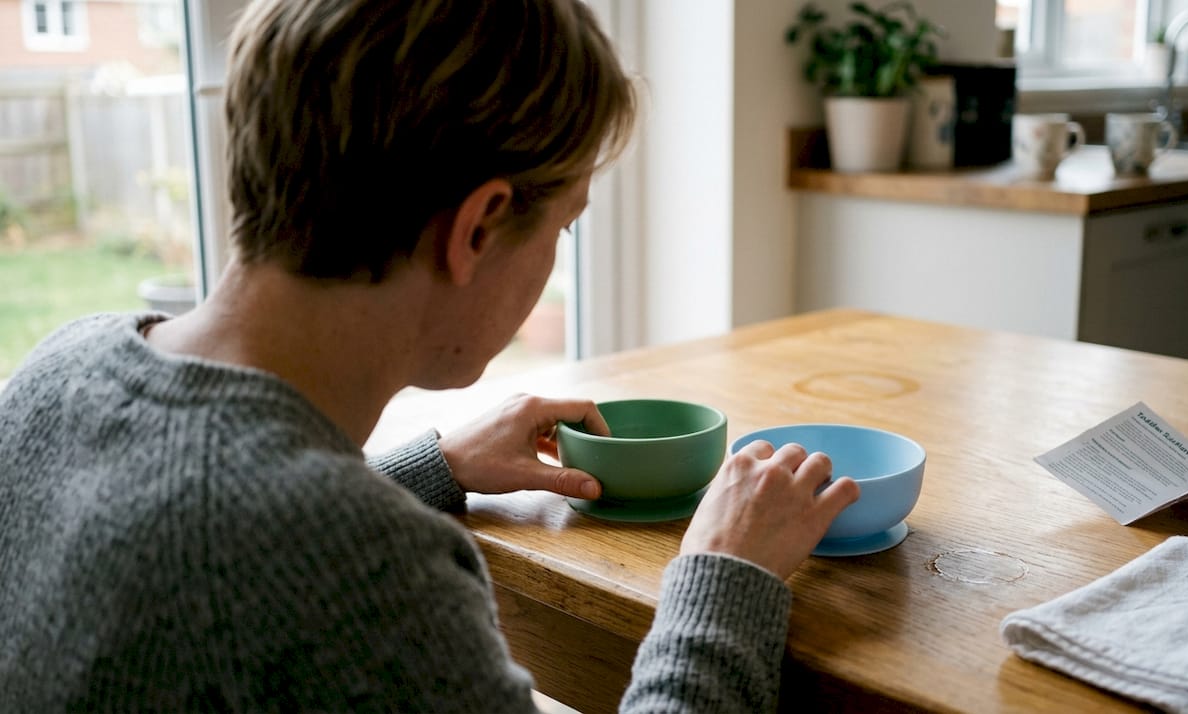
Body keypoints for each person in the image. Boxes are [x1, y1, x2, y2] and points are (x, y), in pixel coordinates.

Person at [0, 0, 861, 710]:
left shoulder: (54, 372)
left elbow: (213, 540)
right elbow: (291, 559)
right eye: (563, 225)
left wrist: (429, 468)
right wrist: (723, 576)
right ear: (479, 227)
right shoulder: (366, 571)